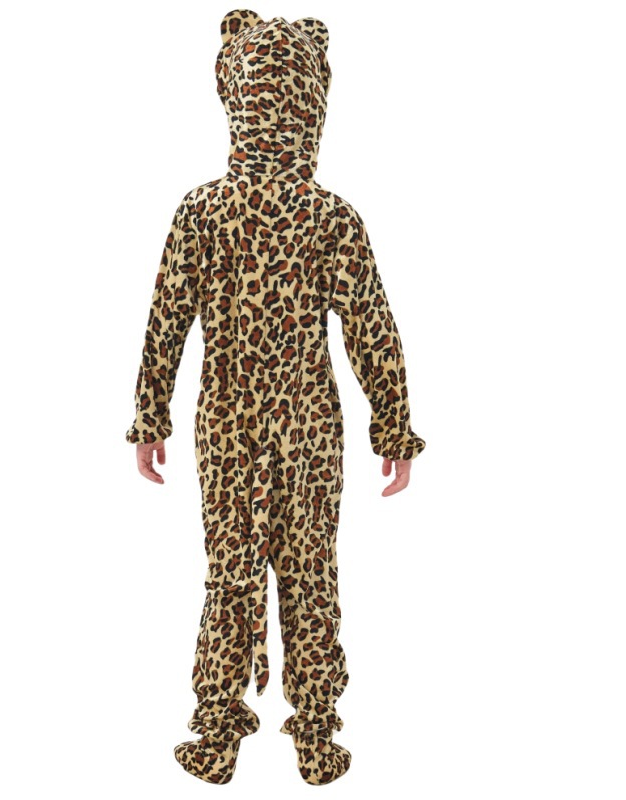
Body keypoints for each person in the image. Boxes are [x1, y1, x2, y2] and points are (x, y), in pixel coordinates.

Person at [126, 10, 426, 785]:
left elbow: (166, 320)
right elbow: (373, 329)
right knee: (311, 572)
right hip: (310, 428)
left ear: (234, 97)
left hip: (226, 425)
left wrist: (152, 416)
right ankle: (317, 733)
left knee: (230, 570)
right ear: (314, 105)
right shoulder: (331, 218)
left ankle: (218, 728)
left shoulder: (202, 211)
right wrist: (393, 428)